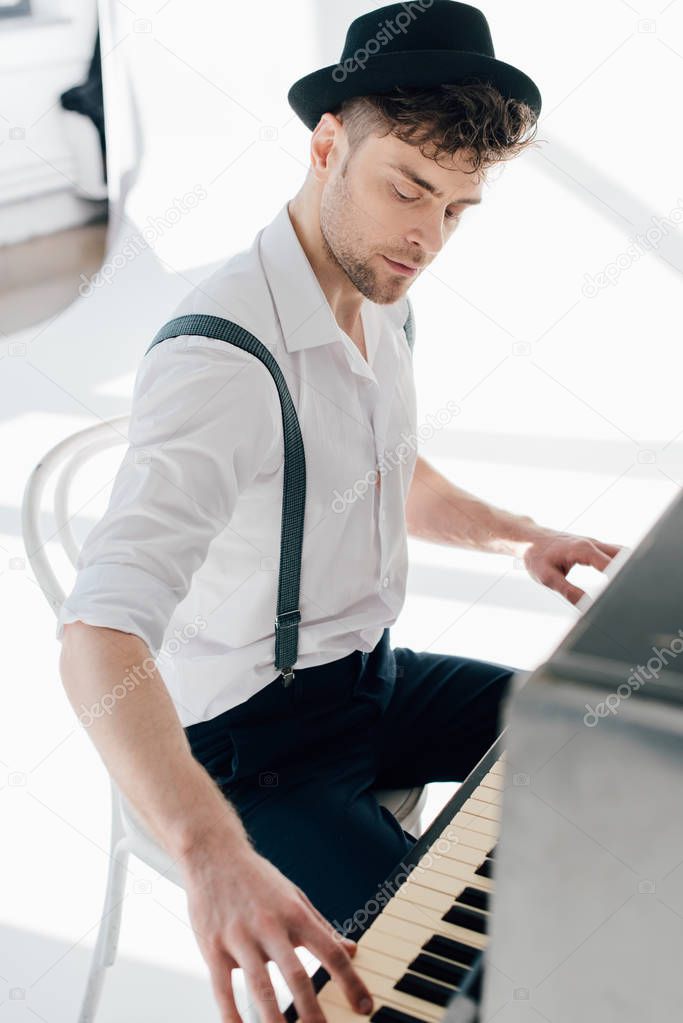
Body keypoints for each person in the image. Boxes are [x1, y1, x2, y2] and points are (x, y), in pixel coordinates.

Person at [57, 4, 623, 1023]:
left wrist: (521, 536)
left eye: (455, 208)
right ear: (326, 145)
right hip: (249, 750)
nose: (426, 237)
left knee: (611, 741)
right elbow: (98, 634)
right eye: (407, 188)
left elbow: (396, 480)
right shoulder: (219, 363)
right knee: (455, 982)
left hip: (372, 682)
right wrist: (210, 850)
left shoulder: (383, 294)